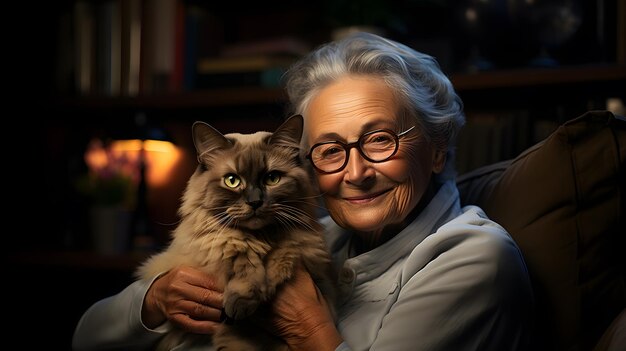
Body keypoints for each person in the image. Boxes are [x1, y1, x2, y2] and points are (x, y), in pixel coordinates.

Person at [72, 32, 534, 351]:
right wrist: (153, 301)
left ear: (436, 150)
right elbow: (87, 337)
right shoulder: (318, 232)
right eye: (330, 150)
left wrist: (307, 326)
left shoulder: (474, 258)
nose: (355, 173)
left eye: (379, 140)